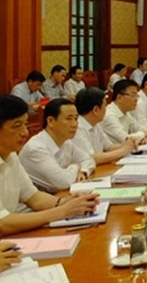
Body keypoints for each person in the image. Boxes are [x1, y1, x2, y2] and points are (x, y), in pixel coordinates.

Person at [0, 95, 97, 237]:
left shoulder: (11, 156)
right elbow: (2, 223)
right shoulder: (34, 148)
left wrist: (64, 202)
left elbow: (34, 197)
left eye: (25, 124)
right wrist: (63, 211)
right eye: (17, 126)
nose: (25, 132)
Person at [18, 98, 96, 193]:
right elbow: (63, 182)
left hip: (59, 195)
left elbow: (88, 159)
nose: (75, 124)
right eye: (69, 118)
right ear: (50, 121)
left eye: (76, 118)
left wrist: (83, 171)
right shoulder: (36, 148)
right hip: (42, 200)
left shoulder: (66, 142)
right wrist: (76, 166)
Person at [72, 87, 136, 164]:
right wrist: (123, 150)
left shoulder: (96, 124)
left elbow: (109, 147)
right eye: (105, 106)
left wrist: (128, 145)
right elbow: (91, 158)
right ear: (96, 110)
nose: (106, 109)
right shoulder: (76, 128)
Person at [102, 79, 147, 144]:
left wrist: (146, 136)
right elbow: (125, 139)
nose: (136, 99)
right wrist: (143, 135)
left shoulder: (126, 113)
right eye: (133, 95)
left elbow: (142, 129)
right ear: (119, 97)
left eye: (137, 95)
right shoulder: (109, 115)